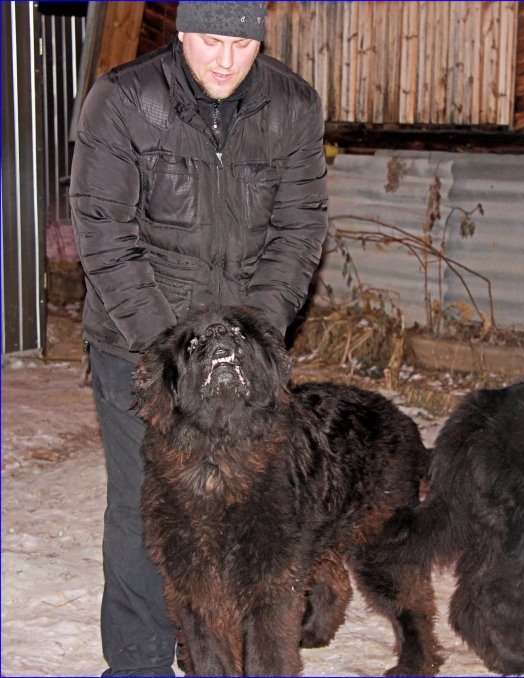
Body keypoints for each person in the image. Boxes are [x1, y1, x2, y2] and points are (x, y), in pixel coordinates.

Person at [69, 2, 328, 674]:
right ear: (182, 32)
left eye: (241, 46)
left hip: (245, 358)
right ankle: (138, 662)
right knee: (146, 509)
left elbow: (298, 231)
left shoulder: (292, 105)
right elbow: (105, 234)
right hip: (142, 350)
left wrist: (251, 339)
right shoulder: (123, 100)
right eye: (210, 41)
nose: (224, 60)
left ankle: (210, 650)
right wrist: (172, 354)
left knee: (245, 513)